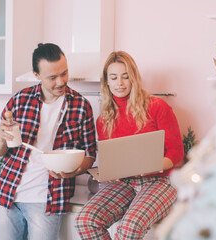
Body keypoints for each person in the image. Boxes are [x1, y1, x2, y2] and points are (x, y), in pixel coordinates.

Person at [0, 43, 96, 240]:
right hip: (8, 194)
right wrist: (2, 136)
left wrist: (76, 170)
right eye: (52, 77)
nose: (60, 81)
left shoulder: (81, 106)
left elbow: (90, 154)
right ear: (36, 75)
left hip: (47, 200)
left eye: (64, 74)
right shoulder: (19, 100)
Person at [75, 51, 184, 239]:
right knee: (85, 220)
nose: (120, 83)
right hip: (123, 183)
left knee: (131, 225)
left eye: (125, 76)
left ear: (133, 78)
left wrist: (151, 166)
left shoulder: (157, 106)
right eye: (114, 77)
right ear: (106, 81)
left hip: (159, 182)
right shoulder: (104, 120)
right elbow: (113, 158)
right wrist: (107, 172)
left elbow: (177, 153)